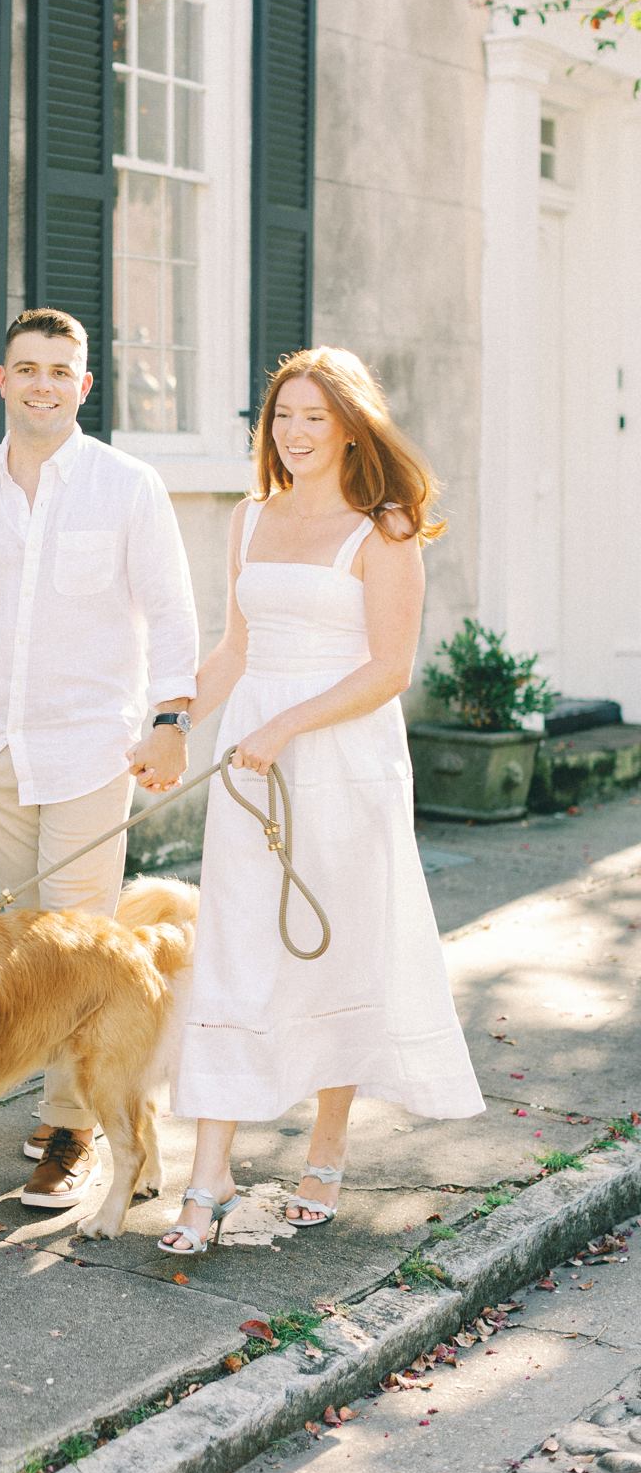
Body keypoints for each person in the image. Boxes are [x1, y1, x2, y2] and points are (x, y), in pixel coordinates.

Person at [142, 347, 484, 1256]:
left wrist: (288, 725)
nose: (294, 435)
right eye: (282, 417)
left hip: (343, 759)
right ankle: (207, 1175)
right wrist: (174, 720)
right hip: (253, 760)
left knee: (335, 943)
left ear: (349, 426)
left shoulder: (388, 529)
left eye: (314, 419)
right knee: (236, 949)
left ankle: (325, 1151)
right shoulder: (251, 518)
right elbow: (234, 649)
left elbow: (388, 669)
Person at [0, 308, 199, 1210]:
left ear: (84, 387)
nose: (43, 382)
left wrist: (170, 719)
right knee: (27, 945)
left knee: (72, 944)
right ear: (1, 380)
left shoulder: (127, 486)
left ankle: (73, 1130)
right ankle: (90, 1092)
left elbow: (171, 609)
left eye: (60, 370)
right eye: (27, 367)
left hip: (92, 748)